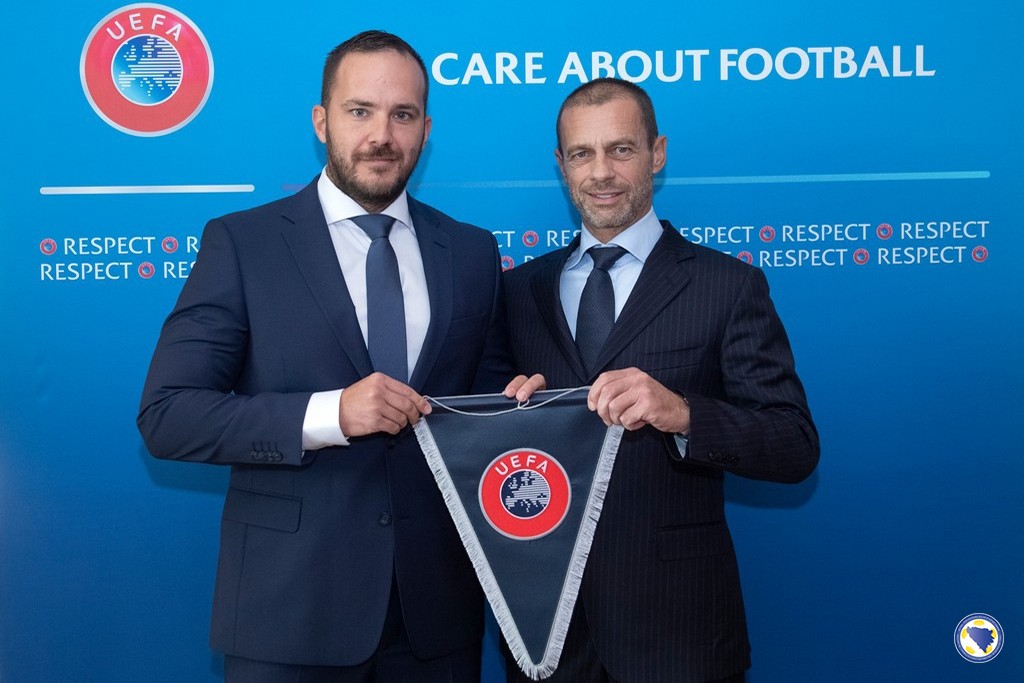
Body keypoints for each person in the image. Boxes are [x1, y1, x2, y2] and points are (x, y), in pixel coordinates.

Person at [138, 30, 540, 683]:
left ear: (425, 129)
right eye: (360, 111)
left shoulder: (469, 252)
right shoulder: (244, 244)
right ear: (321, 121)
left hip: (435, 621)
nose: (382, 134)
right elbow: (168, 416)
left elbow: (482, 407)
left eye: (402, 114)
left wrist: (522, 411)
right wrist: (333, 414)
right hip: (288, 614)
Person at [502, 78, 820, 683]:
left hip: (678, 633)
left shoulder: (726, 286)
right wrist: (512, 414)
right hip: (547, 634)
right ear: (560, 165)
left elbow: (794, 445)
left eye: (621, 149)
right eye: (581, 153)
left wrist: (684, 413)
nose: (601, 172)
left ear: (658, 152)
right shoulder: (518, 292)